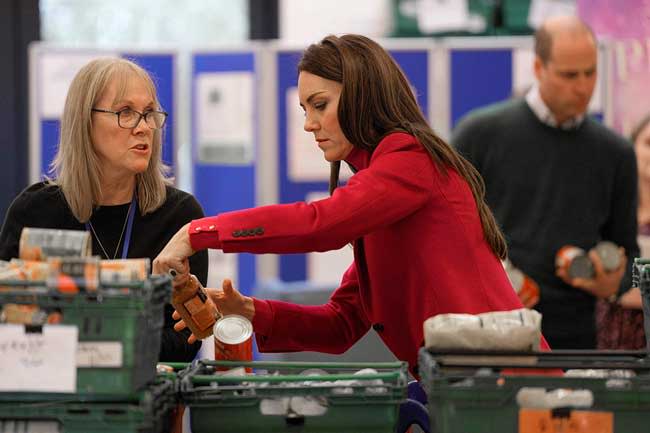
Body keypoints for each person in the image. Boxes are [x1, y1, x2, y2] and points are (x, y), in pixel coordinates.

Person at [153, 34, 542, 376]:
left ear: (362, 95)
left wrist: (199, 232)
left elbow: (321, 224)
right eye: (304, 109)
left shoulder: (409, 159)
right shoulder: (381, 193)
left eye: (320, 105)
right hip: (468, 384)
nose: (309, 124)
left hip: (502, 382)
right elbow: (340, 325)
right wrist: (246, 310)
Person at [0, 57, 208, 362]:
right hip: (51, 402)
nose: (144, 128)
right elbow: (9, 322)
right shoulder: (34, 213)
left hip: (144, 402)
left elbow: (186, 338)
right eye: (126, 112)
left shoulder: (179, 215)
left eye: (149, 114)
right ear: (85, 121)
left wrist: (100, 350)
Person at [452, 16, 639, 349]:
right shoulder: (479, 135)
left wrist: (611, 282)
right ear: (538, 68)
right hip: (494, 333)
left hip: (579, 341)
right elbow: (446, 233)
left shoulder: (616, 153)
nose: (583, 86)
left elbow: (628, 257)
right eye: (569, 75)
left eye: (590, 72)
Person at [596, 115, 650, 349]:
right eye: (649, 143)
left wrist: (618, 289)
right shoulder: (607, 208)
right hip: (610, 335)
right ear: (632, 147)